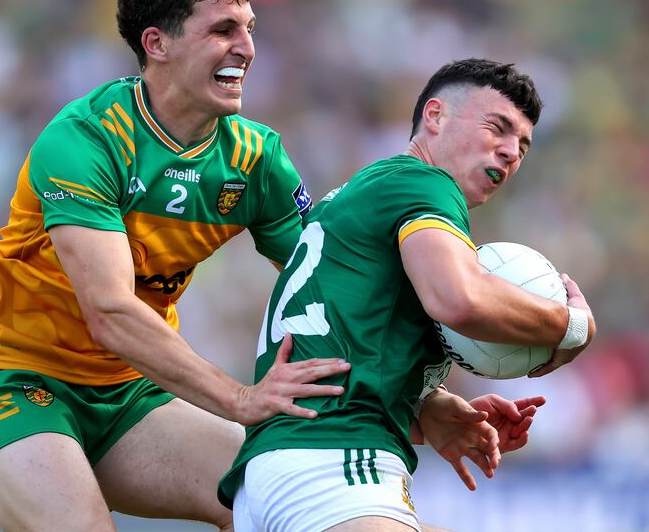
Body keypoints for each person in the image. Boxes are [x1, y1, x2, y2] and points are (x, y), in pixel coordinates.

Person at [0, 0, 544, 531]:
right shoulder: (86, 141)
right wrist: (237, 398)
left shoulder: (255, 159)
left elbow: (336, 298)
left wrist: (430, 406)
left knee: (272, 500)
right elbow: (111, 313)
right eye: (223, 30)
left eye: (250, 28)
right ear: (158, 44)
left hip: (127, 395)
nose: (247, 48)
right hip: (11, 384)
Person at [218, 58, 597, 532]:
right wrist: (573, 327)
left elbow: (352, 340)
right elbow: (460, 300)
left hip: (284, 470)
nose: (510, 152)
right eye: (497, 128)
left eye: (522, 145)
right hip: (336, 463)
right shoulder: (424, 183)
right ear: (434, 117)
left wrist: (424, 407)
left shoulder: (368, 190)